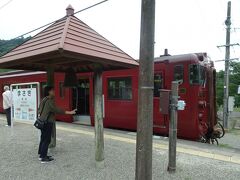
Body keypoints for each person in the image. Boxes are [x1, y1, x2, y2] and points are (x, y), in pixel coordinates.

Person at [38, 86, 76, 163]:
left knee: (43, 138)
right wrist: (69, 112)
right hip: (47, 122)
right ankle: (43, 158)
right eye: (53, 90)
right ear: (49, 92)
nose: (54, 91)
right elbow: (56, 110)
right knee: (47, 140)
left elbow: (39, 109)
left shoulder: (44, 99)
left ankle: (41, 154)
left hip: (42, 121)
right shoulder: (49, 101)